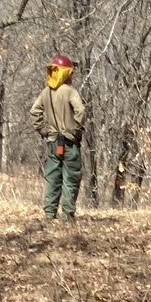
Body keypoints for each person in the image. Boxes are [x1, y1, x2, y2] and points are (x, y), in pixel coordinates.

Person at [28, 54, 88, 221]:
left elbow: (34, 112)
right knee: (71, 177)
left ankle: (49, 214)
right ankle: (68, 215)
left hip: (53, 141)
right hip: (69, 142)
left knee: (53, 177)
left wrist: (43, 130)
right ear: (66, 73)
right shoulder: (70, 91)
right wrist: (75, 130)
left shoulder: (46, 92)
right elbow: (81, 111)